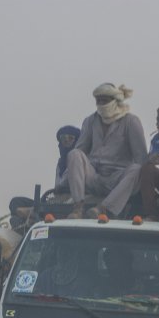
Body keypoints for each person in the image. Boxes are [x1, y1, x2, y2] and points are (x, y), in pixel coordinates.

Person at [67, 83, 147, 219]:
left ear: (115, 101)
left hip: (117, 179)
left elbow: (141, 158)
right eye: (98, 101)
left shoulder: (130, 121)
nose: (101, 104)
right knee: (74, 154)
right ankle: (78, 207)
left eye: (105, 101)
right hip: (94, 177)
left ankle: (103, 208)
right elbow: (80, 149)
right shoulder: (90, 121)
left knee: (137, 168)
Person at [54, 125, 80, 191]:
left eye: (70, 138)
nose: (66, 141)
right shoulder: (60, 164)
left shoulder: (82, 160)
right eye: (63, 138)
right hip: (61, 199)